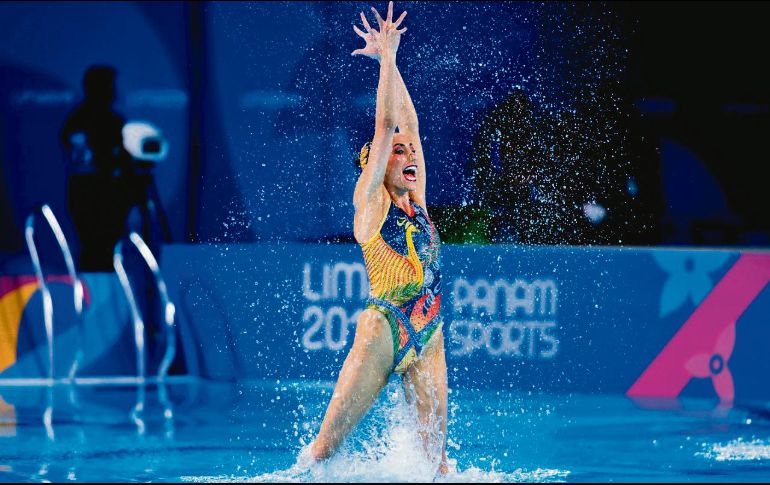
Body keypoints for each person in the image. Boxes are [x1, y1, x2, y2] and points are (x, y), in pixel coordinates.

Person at [309, 2, 449, 475]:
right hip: (383, 329)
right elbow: (387, 126)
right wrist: (386, 57)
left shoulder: (417, 201)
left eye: (411, 152)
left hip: (428, 332)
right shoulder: (371, 203)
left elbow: (407, 124)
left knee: (435, 466)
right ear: (374, 165)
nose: (409, 155)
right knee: (325, 450)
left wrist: (394, 63)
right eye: (397, 153)